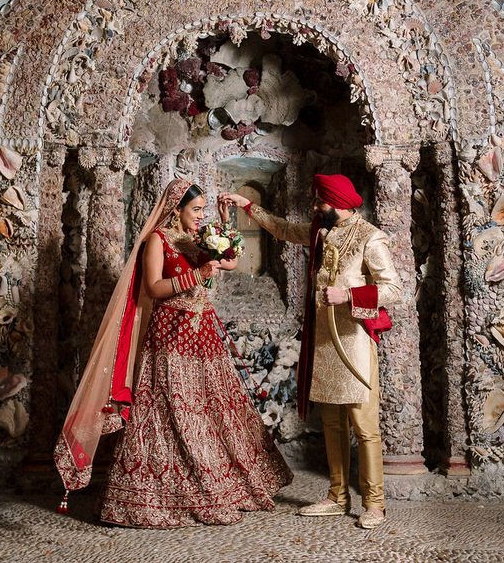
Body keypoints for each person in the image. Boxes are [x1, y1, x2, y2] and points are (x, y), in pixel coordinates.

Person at [55, 178, 293, 528]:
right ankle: (162, 493)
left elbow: (227, 263)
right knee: (173, 411)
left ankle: (221, 484)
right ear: (176, 208)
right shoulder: (158, 240)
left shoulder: (198, 237)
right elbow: (153, 287)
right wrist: (196, 275)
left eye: (201, 210)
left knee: (212, 408)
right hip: (170, 335)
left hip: (204, 336)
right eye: (195, 209)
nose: (199, 215)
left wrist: (225, 223)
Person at [219, 174, 402, 530]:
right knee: (331, 422)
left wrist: (349, 296)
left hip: (353, 341)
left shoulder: (370, 237)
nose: (316, 208)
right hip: (323, 339)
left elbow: (393, 289)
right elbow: (285, 229)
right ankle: (337, 496)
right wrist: (249, 207)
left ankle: (375, 504)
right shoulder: (321, 230)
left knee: (364, 426)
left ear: (339, 203)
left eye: (321, 202)